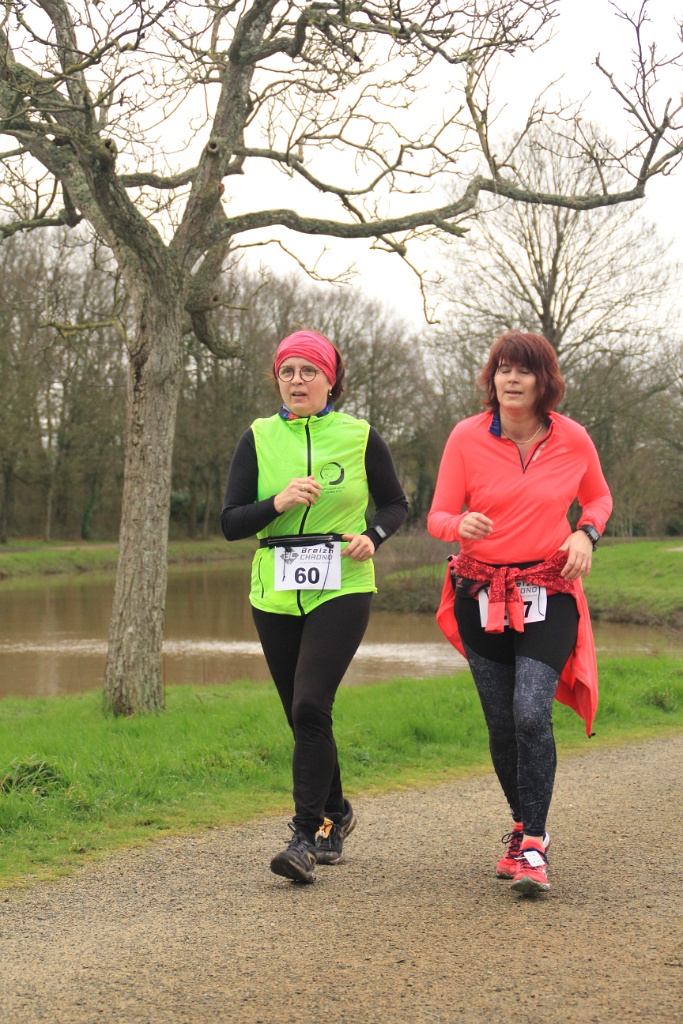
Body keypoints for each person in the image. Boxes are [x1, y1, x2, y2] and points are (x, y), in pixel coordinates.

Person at [221, 328, 408, 884]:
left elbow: (396, 504)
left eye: (309, 371)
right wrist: (276, 502)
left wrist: (373, 536)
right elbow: (230, 522)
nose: (297, 381)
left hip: (342, 583)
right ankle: (338, 811)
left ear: (331, 380)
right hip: (274, 589)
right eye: (288, 371)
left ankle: (305, 836)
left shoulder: (359, 436)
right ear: (276, 379)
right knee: (302, 715)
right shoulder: (257, 437)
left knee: (309, 705)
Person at [428, 331, 612, 895]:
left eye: (523, 370)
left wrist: (585, 533)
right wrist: (459, 524)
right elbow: (438, 515)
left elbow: (599, 498)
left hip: (548, 590)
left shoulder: (572, 437)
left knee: (531, 711)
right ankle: (519, 824)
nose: (511, 379)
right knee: (502, 723)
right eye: (503, 368)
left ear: (543, 380)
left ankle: (535, 843)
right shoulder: (466, 436)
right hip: (480, 593)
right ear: (492, 378)